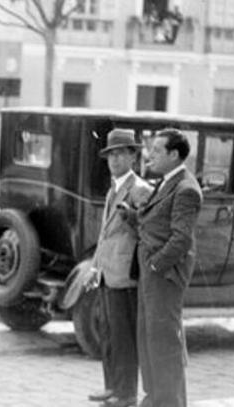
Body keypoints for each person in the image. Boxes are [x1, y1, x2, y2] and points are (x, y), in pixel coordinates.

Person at [85, 129, 153, 407]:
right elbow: (105, 234)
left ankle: (125, 394)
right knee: (110, 334)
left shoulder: (140, 190)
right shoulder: (114, 188)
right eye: (110, 154)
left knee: (124, 337)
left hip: (125, 275)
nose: (114, 160)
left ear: (133, 157)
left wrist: (133, 218)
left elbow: (149, 230)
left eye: (120, 153)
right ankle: (111, 387)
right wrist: (94, 268)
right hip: (107, 273)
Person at [136, 129, 202, 407]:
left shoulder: (186, 189)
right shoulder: (167, 183)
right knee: (150, 338)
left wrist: (154, 264)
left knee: (164, 342)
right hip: (152, 274)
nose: (150, 156)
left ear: (174, 155)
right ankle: (156, 397)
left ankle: (169, 402)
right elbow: (158, 224)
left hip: (163, 275)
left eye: (157, 151)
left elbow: (181, 238)